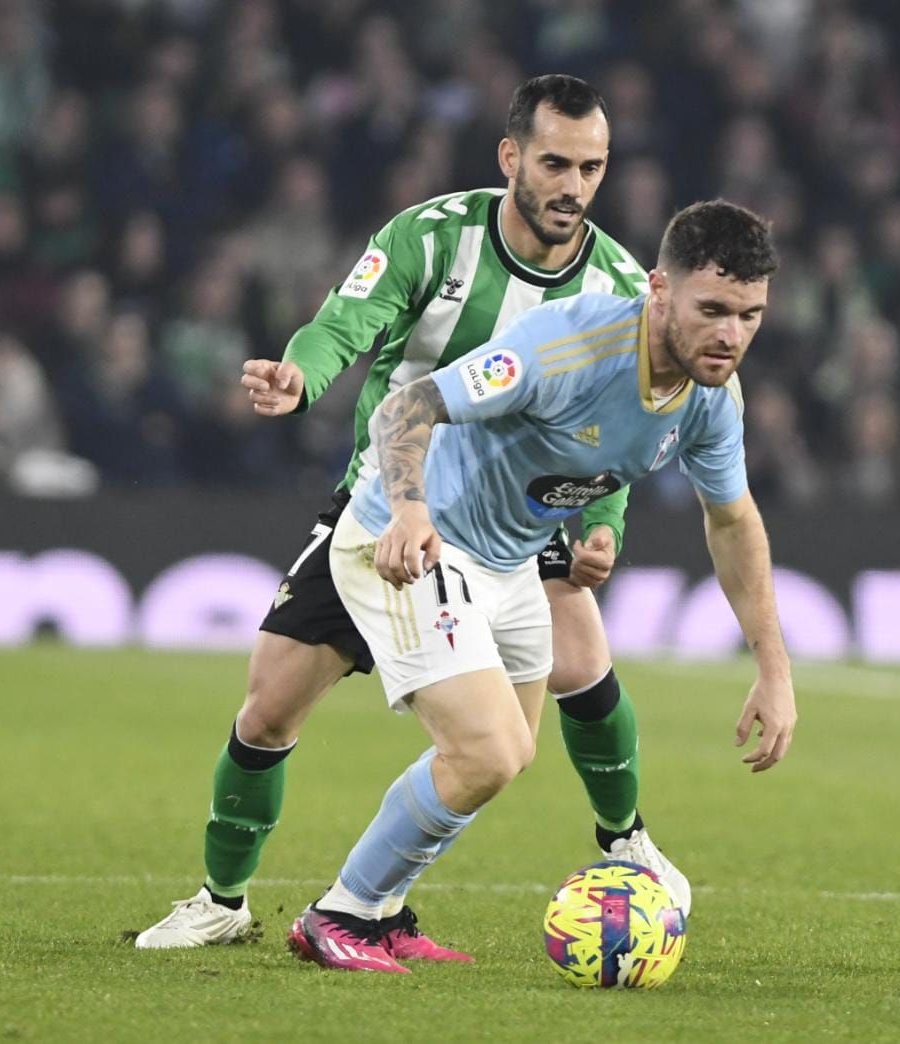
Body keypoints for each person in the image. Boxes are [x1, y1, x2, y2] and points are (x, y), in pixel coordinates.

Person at [136, 75, 683, 949]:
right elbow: (343, 324)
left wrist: (604, 524)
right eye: (555, 164)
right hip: (393, 508)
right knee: (269, 709)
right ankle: (223, 902)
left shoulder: (619, 284)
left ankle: (620, 840)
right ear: (510, 157)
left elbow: (619, 428)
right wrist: (301, 376)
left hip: (514, 522)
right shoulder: (433, 238)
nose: (574, 187)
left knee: (565, 677)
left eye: (592, 168)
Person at [286, 199, 797, 972]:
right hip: (417, 540)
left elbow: (733, 523)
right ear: (660, 290)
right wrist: (410, 510)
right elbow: (407, 407)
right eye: (713, 310)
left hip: (511, 560)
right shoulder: (568, 346)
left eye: (749, 316)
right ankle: (339, 916)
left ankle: (382, 911)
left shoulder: (711, 400)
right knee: (486, 750)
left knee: (508, 754)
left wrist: (773, 668)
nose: (731, 335)